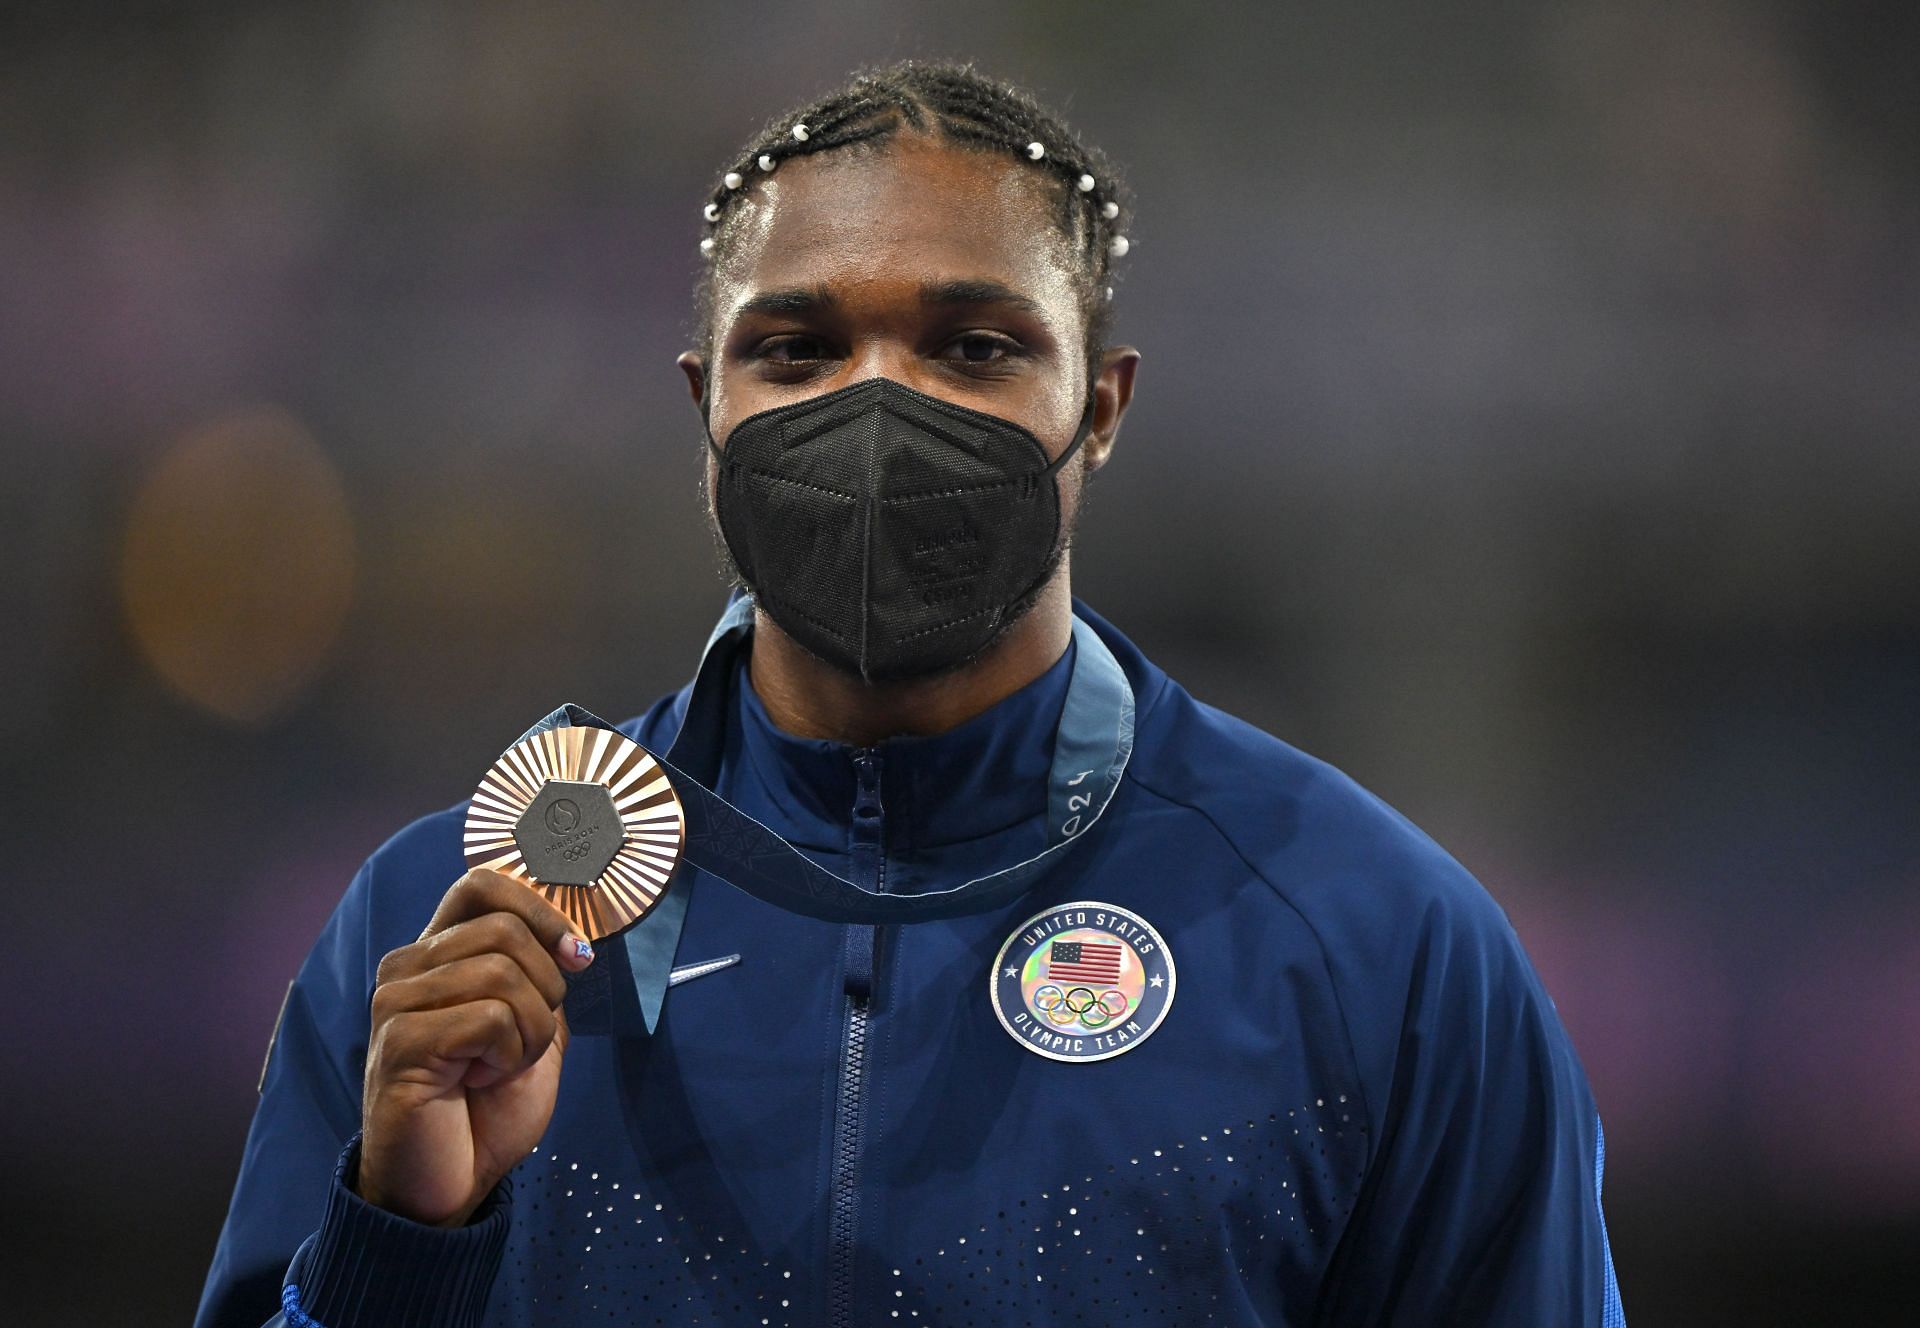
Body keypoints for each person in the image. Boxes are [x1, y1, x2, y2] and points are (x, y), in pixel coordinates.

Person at [196, 60, 1625, 1328]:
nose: (880, 408)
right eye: (798, 349)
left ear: (1103, 405)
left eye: (975, 347)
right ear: (707, 403)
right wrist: (405, 1237)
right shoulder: (436, 937)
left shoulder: (1381, 950)